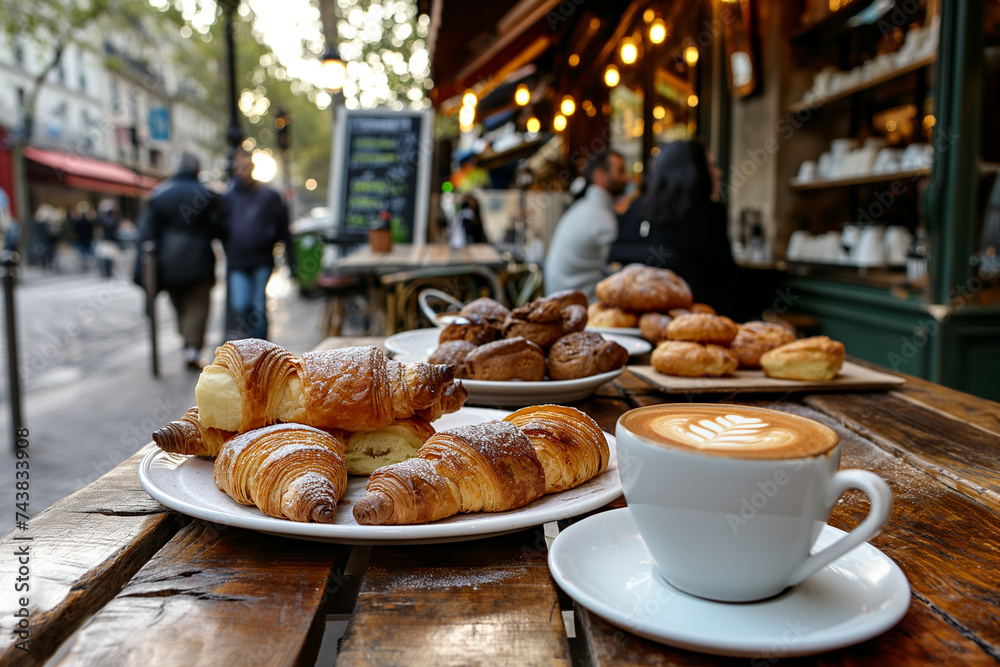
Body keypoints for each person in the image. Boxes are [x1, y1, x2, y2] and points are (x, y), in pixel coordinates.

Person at [608, 139, 746, 319]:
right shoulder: (708, 213)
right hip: (691, 321)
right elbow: (726, 285)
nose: (718, 172)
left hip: (630, 319)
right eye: (712, 165)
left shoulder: (636, 208)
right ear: (694, 171)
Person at [135, 152, 225, 370]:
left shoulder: (159, 194)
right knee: (199, 307)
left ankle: (188, 344)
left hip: (169, 265)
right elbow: (219, 227)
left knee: (180, 307)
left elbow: (146, 233)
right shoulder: (207, 194)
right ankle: (192, 347)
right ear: (197, 168)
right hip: (199, 262)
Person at [222, 148, 293, 341]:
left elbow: (283, 228)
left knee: (259, 305)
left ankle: (262, 351)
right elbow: (220, 227)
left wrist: (290, 262)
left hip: (261, 260)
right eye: (239, 165)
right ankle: (248, 345)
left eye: (246, 165)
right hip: (238, 262)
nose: (243, 169)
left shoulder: (268, 196)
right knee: (240, 304)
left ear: (253, 166)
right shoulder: (228, 198)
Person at [543, 150, 629, 298]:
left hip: (560, 297)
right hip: (579, 305)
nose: (627, 178)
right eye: (620, 171)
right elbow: (617, 270)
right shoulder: (599, 215)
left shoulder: (586, 207)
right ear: (599, 176)